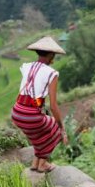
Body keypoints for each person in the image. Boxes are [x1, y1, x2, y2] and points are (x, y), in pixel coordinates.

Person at [11, 36, 68, 173]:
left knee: (40, 134)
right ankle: (43, 164)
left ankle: (35, 162)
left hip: (17, 113)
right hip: (30, 115)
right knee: (54, 128)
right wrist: (62, 128)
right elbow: (53, 105)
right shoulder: (52, 73)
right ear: (51, 55)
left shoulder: (26, 67)